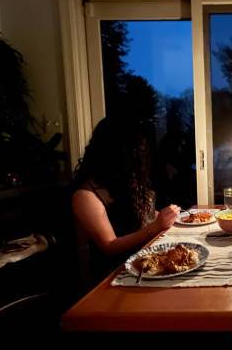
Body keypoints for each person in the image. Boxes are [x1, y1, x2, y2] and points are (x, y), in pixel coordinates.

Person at [71, 115, 179, 279]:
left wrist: (170, 216)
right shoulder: (85, 195)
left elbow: (141, 215)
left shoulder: (124, 181)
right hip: (115, 275)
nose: (140, 159)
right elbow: (109, 246)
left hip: (144, 262)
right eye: (135, 152)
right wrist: (155, 227)